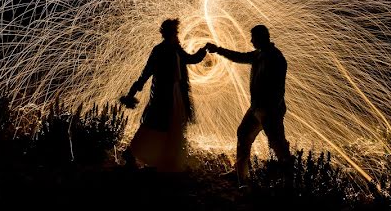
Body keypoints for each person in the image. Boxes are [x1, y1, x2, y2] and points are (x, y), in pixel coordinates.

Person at [120, 18, 209, 172]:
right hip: (162, 95)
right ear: (170, 33)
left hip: (175, 95)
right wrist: (132, 92)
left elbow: (190, 59)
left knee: (168, 127)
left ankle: (161, 159)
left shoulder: (175, 49)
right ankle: (131, 153)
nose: (177, 35)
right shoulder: (160, 50)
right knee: (153, 126)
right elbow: (146, 73)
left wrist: (204, 50)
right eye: (175, 32)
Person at [208, 24, 292, 185]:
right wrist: (218, 50)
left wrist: (271, 109)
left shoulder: (275, 58)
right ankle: (240, 174)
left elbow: (278, 87)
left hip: (268, 110)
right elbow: (238, 57)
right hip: (256, 108)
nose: (251, 41)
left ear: (261, 38)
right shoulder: (259, 55)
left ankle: (290, 181)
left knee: (277, 143)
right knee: (243, 134)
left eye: (253, 38)